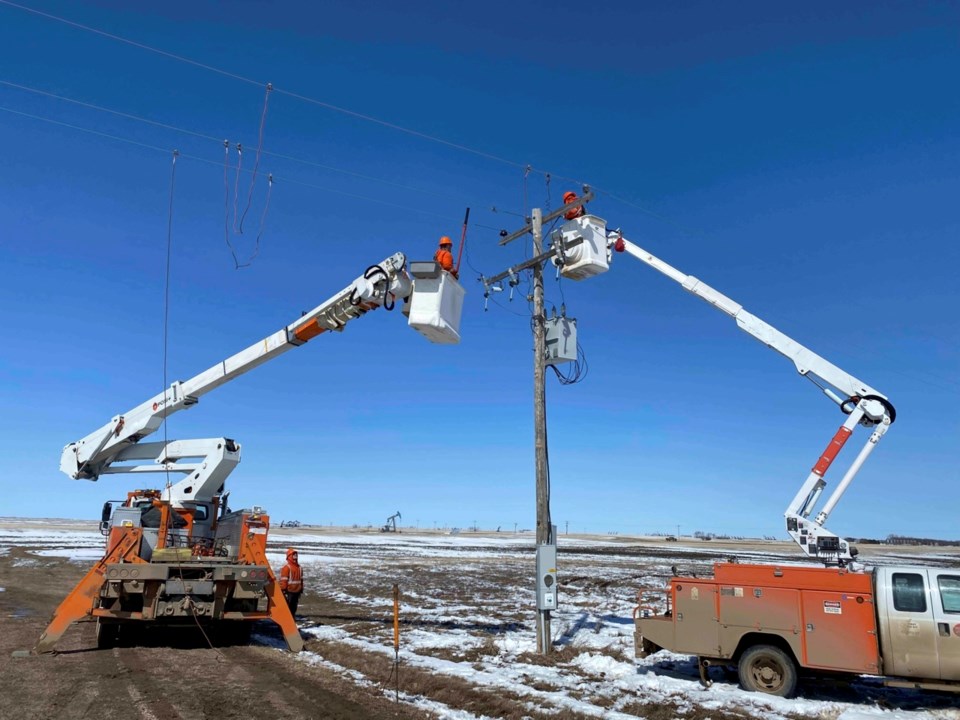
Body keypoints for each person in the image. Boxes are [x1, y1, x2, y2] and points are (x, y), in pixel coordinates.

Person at [279, 547, 303, 614]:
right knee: (293, 606)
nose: (295, 556)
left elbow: (284, 581)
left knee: (288, 607)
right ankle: (292, 618)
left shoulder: (286, 568)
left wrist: (282, 589)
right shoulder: (300, 568)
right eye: (294, 555)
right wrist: (301, 589)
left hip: (289, 591)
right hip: (297, 591)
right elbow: (301, 581)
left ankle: (288, 619)